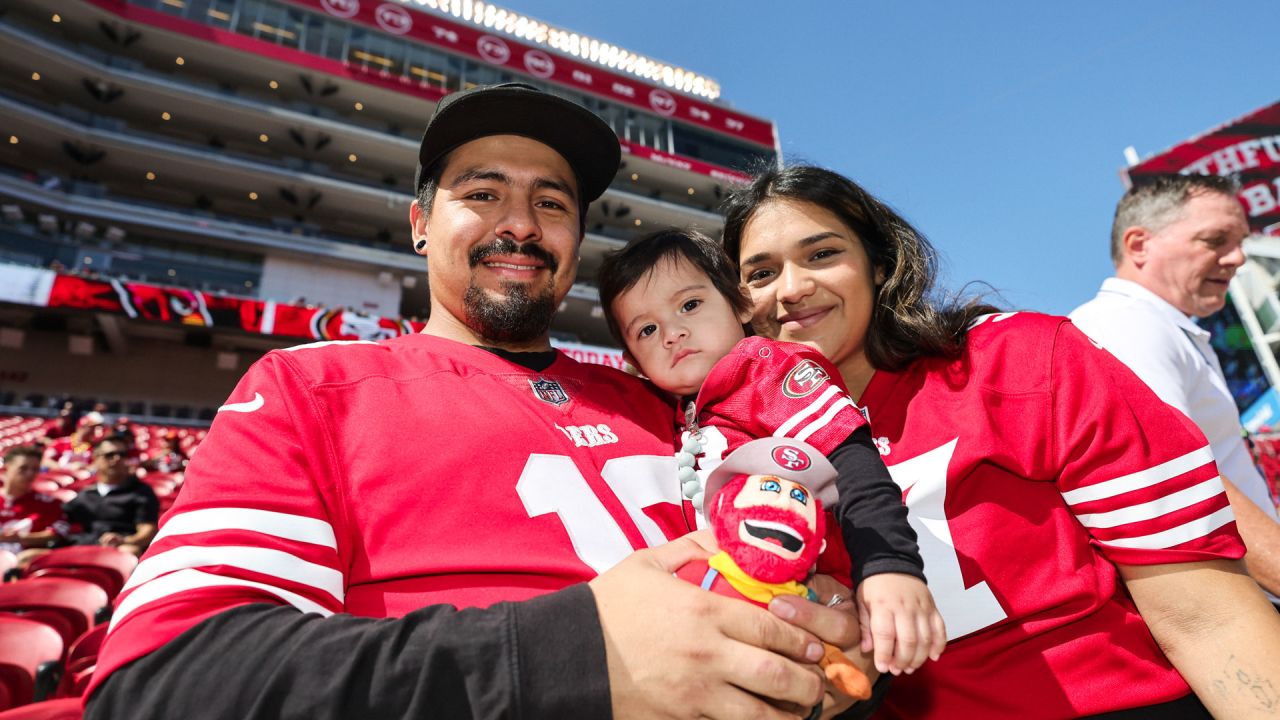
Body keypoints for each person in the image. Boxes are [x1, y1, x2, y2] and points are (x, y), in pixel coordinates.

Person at [85, 84, 862, 720]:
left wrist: (825, 643)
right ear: (421, 224)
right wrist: (580, 659)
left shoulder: (677, 402)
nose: (521, 224)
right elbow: (166, 682)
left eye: (552, 205)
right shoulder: (310, 387)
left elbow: (812, 577)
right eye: (483, 194)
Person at [721, 164, 1280, 719]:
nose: (791, 290)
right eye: (762, 273)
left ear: (879, 262)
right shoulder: (741, 462)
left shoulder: (1023, 360)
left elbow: (1209, 619)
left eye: (821, 254)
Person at [598, 228, 944, 676]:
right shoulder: (679, 411)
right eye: (646, 329)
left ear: (741, 304)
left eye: (689, 305)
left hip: (814, 596)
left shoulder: (763, 368)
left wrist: (889, 566)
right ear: (631, 360)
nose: (673, 333)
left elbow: (853, 463)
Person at [1070, 174, 1280, 603]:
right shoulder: (1126, 324)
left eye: (1240, 240)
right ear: (1139, 245)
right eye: (1215, 239)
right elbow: (1183, 481)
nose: (1237, 257)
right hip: (1236, 612)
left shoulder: (1157, 326)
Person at [63, 435, 158, 557]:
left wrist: (124, 540)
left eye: (122, 454)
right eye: (109, 455)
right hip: (82, 546)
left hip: (116, 550)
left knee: (129, 551)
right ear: (96, 458)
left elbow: (147, 531)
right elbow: (62, 519)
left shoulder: (141, 492)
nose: (117, 458)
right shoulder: (86, 492)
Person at [0, 446, 68, 568]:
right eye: (23, 468)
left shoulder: (49, 503)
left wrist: (21, 538)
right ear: (5, 469)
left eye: (35, 469)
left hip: (22, 567)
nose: (30, 474)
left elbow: (58, 533)